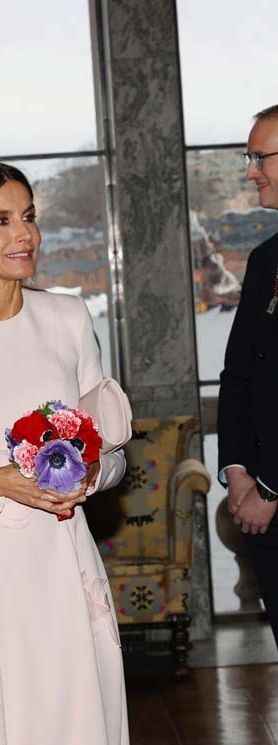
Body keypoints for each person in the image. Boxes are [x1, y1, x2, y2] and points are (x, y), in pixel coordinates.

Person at [0, 160, 129, 745]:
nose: (26, 235)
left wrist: (92, 472)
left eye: (30, 217)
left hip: (62, 559)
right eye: (2, 219)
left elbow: (112, 451)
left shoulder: (67, 318)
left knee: (73, 716)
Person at [218, 104, 278, 645]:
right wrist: (236, 468)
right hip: (262, 510)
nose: (250, 170)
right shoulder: (264, 260)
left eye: (260, 156)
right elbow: (238, 375)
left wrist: (270, 487)